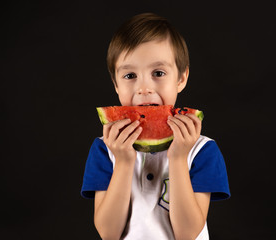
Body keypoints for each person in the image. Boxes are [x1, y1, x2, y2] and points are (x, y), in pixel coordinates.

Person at [81, 13, 230, 240]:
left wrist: (179, 157)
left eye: (158, 73)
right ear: (115, 85)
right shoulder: (105, 149)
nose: (144, 88)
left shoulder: (202, 150)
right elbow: (108, 233)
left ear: (181, 78)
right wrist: (123, 161)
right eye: (130, 75)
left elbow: (188, 234)